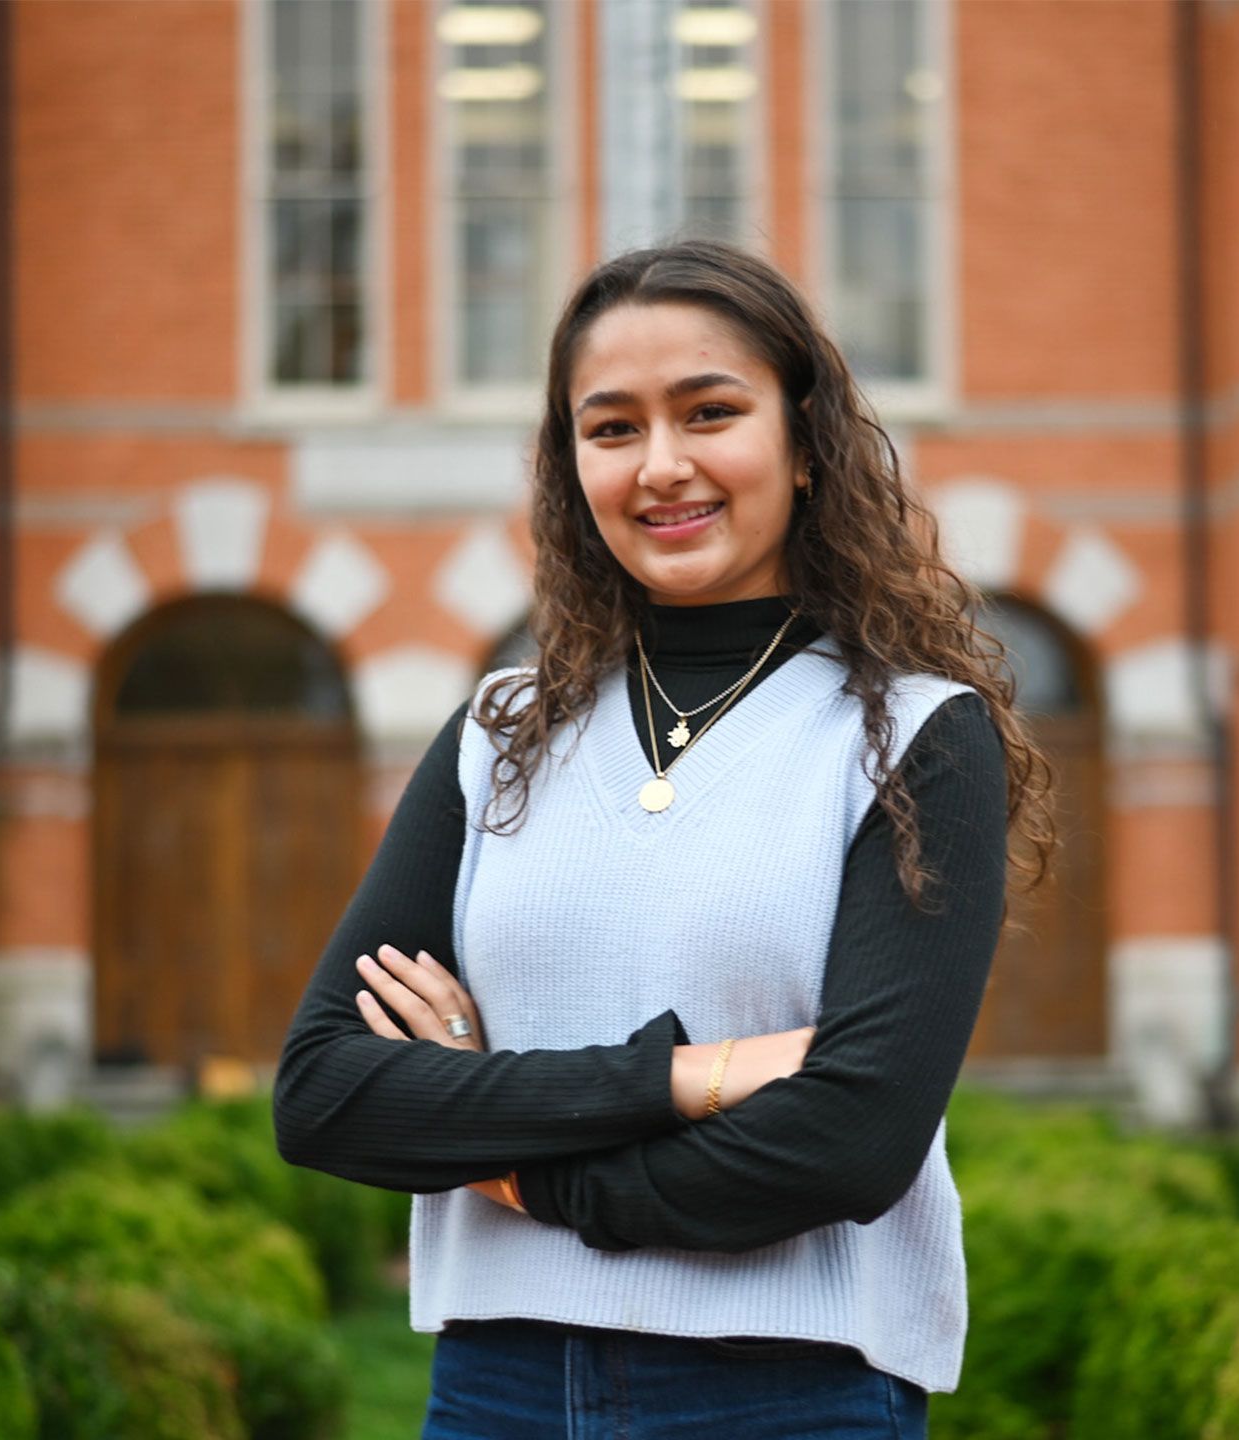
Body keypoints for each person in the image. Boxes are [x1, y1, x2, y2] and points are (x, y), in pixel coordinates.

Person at [271, 239, 1054, 1439]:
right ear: (570, 464)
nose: (662, 465)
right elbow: (327, 1094)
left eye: (710, 412)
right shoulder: (499, 734)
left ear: (804, 443)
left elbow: (850, 1140)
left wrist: (501, 1153)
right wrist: (686, 1076)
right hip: (499, 1390)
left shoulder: (914, 738)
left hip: (790, 1394)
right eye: (612, 427)